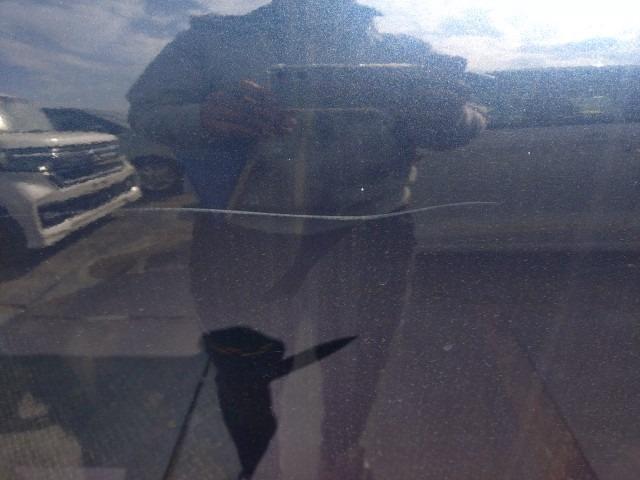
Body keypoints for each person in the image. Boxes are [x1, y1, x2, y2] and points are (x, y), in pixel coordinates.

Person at [127, 1, 485, 478]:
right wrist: (205, 117)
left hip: (368, 231)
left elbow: (470, 120)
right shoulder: (213, 40)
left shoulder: (404, 49)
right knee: (247, 369)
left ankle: (341, 452)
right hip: (244, 236)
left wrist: (446, 113)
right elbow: (146, 111)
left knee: (360, 362)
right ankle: (263, 461)